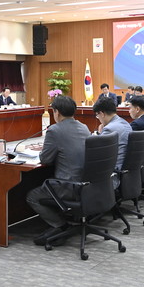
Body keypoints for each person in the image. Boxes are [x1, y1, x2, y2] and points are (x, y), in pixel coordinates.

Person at [26, 95, 90, 246]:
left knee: (32, 196)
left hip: (68, 186)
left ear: (57, 112)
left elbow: (45, 160)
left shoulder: (54, 130)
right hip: (87, 185)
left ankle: (60, 224)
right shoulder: (84, 127)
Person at [93, 96, 131, 187]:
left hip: (113, 174)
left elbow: (97, 153)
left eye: (97, 115)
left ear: (102, 113)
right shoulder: (125, 123)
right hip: (127, 172)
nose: (98, 118)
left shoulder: (109, 129)